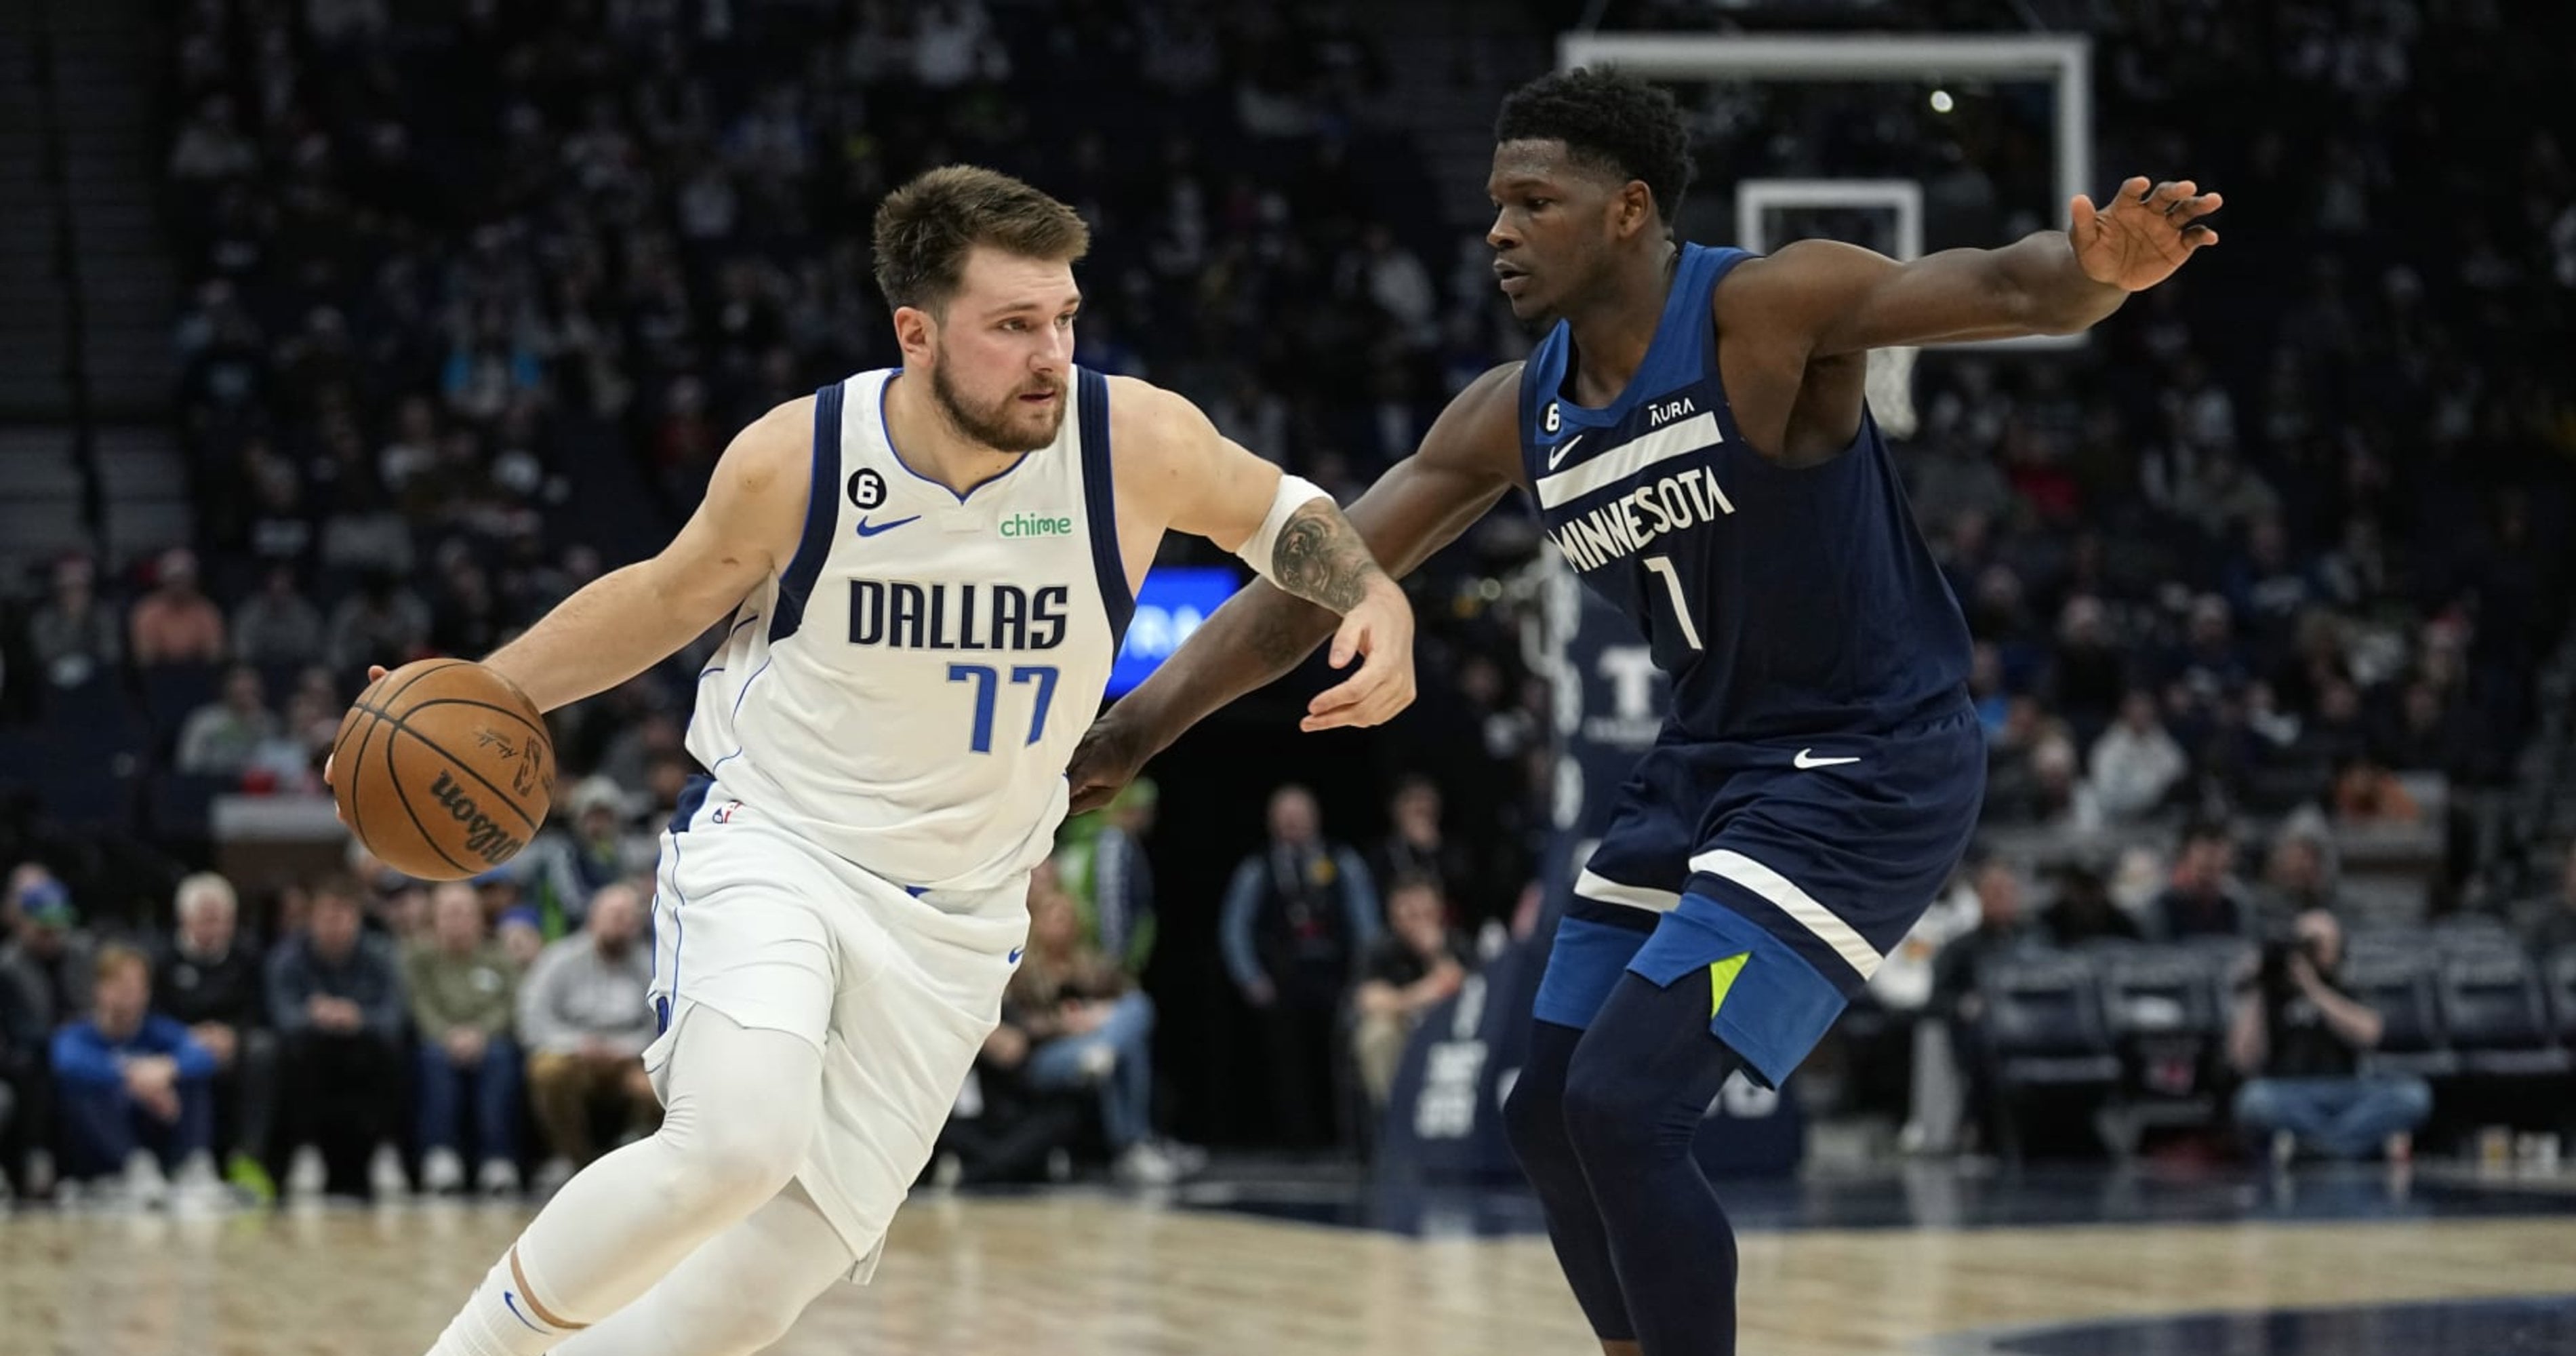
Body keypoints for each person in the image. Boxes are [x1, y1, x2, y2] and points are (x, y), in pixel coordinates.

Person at [1070, 66, 2218, 1356]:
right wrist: (1132, 729)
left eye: (1533, 202)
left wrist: (2097, 274)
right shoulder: (1514, 412)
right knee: (1548, 1114)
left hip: (1867, 763)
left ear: (1628, 211)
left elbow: (2004, 287)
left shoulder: (1764, 311)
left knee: (1623, 1107)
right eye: (1495, 203)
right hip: (1708, 763)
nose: (1498, 230)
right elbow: (1310, 582)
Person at [386, 165, 1411, 1356]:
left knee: (756, 1294)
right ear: (916, 335)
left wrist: (1371, 590)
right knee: (735, 1143)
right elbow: (663, 599)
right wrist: (488, 689)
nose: (1052, 355)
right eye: (1013, 325)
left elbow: (1279, 509)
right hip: (781, 844)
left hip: (962, 917)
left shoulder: (1130, 439)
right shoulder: (802, 456)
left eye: (1065, 319)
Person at [1217, 783, 1381, 1149]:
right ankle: (1298, 1140)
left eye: (1299, 815)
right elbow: (1235, 927)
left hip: (1335, 976)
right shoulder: (1258, 867)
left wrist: (1365, 977)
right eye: (1285, 816)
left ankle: (1349, 1138)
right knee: (1288, 1064)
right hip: (1283, 978)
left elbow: (1366, 922)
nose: (1292, 823)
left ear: (1315, 818)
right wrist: (1250, 978)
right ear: (1271, 822)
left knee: (1344, 1056)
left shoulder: (1342, 860)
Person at [995, 867, 1175, 1184]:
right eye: (1054, 917)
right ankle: (1132, 1144)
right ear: (1038, 923)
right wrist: (1064, 1025)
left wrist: (1098, 1015)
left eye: (1067, 917)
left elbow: (1128, 995)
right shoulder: (1023, 968)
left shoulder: (1088, 964)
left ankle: (1106, 1054)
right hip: (1045, 1057)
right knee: (1126, 1046)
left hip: (1092, 1044)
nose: (1062, 924)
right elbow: (1020, 1027)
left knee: (1137, 1010)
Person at [2228, 909, 2430, 1163]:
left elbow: (2370, 1034)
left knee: (2412, 1095)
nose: (2310, 953)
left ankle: (2311, 1148)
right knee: (2253, 1100)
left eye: (2318, 944)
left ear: (2339, 949)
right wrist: (2259, 984)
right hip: (2290, 1092)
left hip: (2348, 1089)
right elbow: (2243, 1060)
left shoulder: (2349, 985)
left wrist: (2313, 988)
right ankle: (2351, 1146)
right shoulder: (2272, 992)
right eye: (2304, 943)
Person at [265, 879, 407, 1200]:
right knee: (292, 1050)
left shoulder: (380, 954)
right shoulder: (288, 957)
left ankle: (385, 1150)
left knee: (391, 1049)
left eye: (343, 916)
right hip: (310, 1052)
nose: (335, 925)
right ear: (312, 919)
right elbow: (282, 1018)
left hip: (366, 1051)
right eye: (328, 916)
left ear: (357, 919)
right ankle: (305, 1150)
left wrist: (357, 1017)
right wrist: (315, 1016)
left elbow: (394, 1018)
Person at [50, 945, 221, 1205]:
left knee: (193, 1078)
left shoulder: (158, 1030)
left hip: (156, 1123)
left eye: (136, 986)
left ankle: (194, 1165)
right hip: (100, 1142)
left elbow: (202, 1055)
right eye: (120, 985)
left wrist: (166, 1069)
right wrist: (133, 1077)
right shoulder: (79, 1034)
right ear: (100, 989)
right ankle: (134, 1167)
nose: (129, 994)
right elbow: (67, 1060)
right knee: (83, 1087)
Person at [150, 873, 279, 1199]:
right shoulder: (162, 959)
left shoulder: (249, 956)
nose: (213, 928)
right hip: (179, 1045)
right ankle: (187, 1160)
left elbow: (261, 1011)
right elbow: (153, 1015)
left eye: (220, 920)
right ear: (184, 919)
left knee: (264, 1050)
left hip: (235, 1045)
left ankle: (248, 1157)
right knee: (188, 1059)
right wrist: (187, 1037)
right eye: (205, 919)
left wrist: (233, 1035)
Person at [516, 882, 657, 1181]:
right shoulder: (559, 959)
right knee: (548, 1072)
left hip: (630, 1060)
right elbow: (534, 1019)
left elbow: (658, 1025)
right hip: (573, 1056)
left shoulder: (650, 965)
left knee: (660, 1087)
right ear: (593, 917)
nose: (620, 924)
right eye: (613, 915)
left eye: (628, 917)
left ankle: (631, 1166)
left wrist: (624, 1050)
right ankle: (576, 1161)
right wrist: (578, 1045)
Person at [405, 882, 525, 1196]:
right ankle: (440, 1156)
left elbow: (510, 1005)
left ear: (479, 918)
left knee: (500, 1058)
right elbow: (420, 1004)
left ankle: (497, 1159)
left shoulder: (499, 957)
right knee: (433, 1059)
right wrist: (447, 1035)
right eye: (450, 913)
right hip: (439, 1039)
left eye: (465, 913)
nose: (458, 921)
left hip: (489, 1039)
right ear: (435, 919)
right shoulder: (420, 958)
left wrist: (480, 1034)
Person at [1351, 873, 1470, 1111]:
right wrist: (1422, 994)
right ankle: (1393, 1115)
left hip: (1452, 1029)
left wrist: (1435, 953)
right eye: (1411, 914)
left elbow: (1464, 988)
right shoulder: (1379, 950)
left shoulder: (1458, 944)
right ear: (1394, 915)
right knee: (1377, 1033)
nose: (1419, 923)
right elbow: (1370, 1000)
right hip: (1404, 1028)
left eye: (1426, 913)